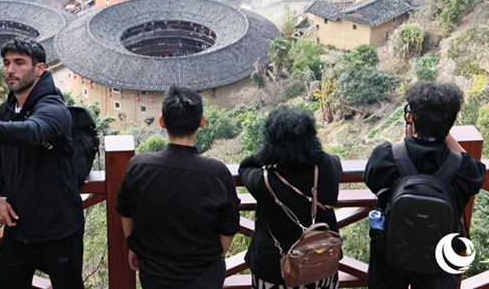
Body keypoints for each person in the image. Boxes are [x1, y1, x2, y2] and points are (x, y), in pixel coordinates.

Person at [0, 38, 84, 288]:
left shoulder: (54, 107)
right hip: (18, 227)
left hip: (59, 230)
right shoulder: (6, 110)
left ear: (39, 69)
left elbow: (32, 132)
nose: (10, 69)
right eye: (7, 63)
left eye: (19, 63)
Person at [364, 81, 486, 289]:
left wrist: (407, 141)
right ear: (450, 125)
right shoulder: (464, 168)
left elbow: (372, 180)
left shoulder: (386, 156)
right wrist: (443, 130)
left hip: (390, 255)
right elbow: (476, 171)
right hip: (440, 260)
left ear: (410, 118)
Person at [116, 85, 240, 289]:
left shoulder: (139, 167)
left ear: (162, 122)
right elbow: (229, 226)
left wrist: (133, 245)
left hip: (155, 273)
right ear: (202, 121)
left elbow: (125, 210)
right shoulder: (216, 173)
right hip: (204, 276)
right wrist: (214, 256)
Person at [239, 106, 342, 289]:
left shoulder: (265, 181)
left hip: (276, 270)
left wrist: (267, 154)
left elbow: (245, 166)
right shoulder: (329, 167)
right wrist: (310, 150)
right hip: (321, 264)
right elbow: (327, 157)